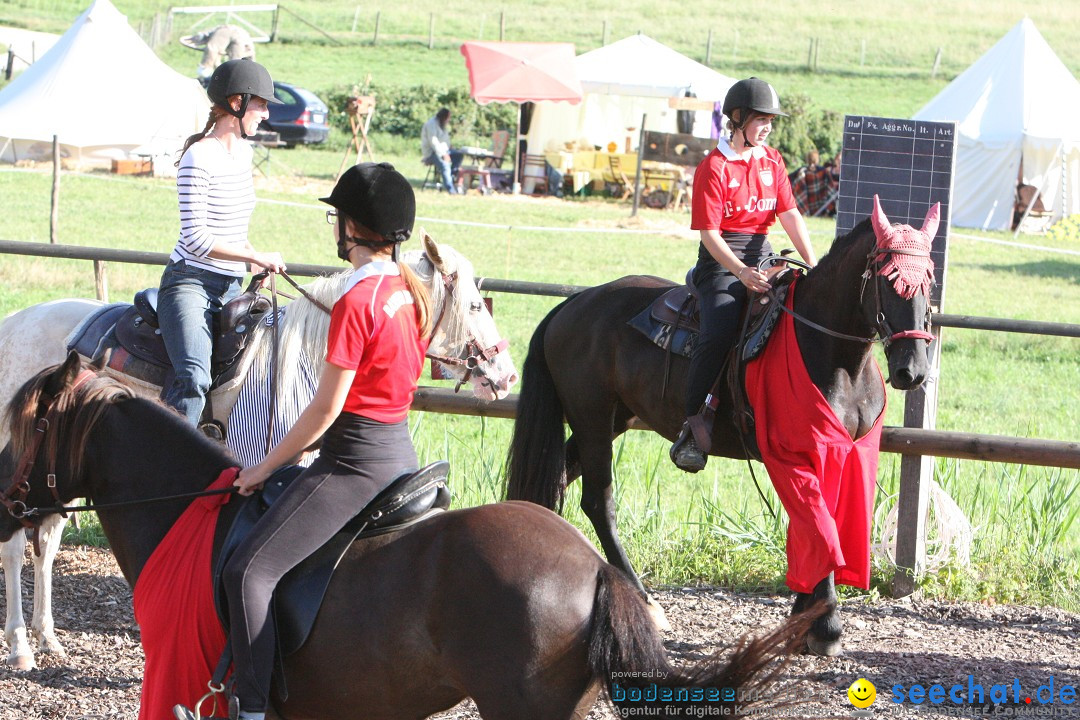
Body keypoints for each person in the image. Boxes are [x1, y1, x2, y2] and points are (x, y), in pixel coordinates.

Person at [172, 163, 432, 720]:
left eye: (338, 218)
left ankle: (251, 708)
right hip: (400, 455)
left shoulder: (356, 302)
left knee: (248, 572)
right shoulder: (408, 293)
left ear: (353, 227)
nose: (335, 227)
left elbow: (324, 410)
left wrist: (262, 468)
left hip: (354, 466)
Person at [669, 77, 818, 473]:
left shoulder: (772, 161)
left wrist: (813, 263)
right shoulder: (713, 167)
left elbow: (789, 215)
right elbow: (709, 233)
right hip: (721, 263)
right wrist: (740, 272)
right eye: (760, 119)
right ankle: (691, 426)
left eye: (771, 120)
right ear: (737, 119)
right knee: (718, 330)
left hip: (764, 251)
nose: (768, 126)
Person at [158, 58, 287, 429]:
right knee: (194, 379)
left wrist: (254, 260)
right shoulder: (198, 156)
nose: (264, 113)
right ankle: (173, 460)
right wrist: (253, 255)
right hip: (191, 283)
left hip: (231, 286)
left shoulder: (243, 155)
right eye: (261, 104)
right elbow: (196, 239)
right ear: (236, 103)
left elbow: (232, 229)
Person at [420, 108, 464, 193]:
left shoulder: (442, 125)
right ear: (444, 117)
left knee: (459, 155)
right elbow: (434, 142)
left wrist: (450, 147)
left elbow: (444, 140)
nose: (449, 120)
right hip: (432, 152)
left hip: (444, 151)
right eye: (448, 117)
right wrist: (444, 154)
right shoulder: (431, 124)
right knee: (445, 165)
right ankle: (451, 190)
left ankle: (451, 176)